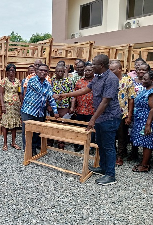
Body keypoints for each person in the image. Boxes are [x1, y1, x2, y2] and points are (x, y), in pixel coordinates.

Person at [57, 54, 121, 185]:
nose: (91, 66)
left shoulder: (111, 79)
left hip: (109, 118)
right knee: (101, 144)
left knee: (108, 146)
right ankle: (103, 168)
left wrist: (92, 119)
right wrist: (65, 95)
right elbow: (85, 89)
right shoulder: (98, 77)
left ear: (101, 66)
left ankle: (110, 175)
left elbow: (105, 102)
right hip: (101, 118)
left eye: (94, 64)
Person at [21, 64, 59, 156]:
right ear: (37, 71)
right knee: (27, 131)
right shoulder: (32, 80)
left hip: (40, 112)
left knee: (36, 132)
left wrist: (55, 111)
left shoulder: (47, 83)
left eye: (45, 71)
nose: (43, 72)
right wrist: (53, 95)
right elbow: (41, 91)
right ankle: (27, 150)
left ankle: (33, 148)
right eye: (41, 70)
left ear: (48, 73)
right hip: (29, 110)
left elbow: (50, 99)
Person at [109, 60, 136, 166]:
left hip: (122, 114)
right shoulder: (109, 80)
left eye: (113, 69)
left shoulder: (127, 80)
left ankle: (120, 156)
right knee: (111, 135)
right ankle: (113, 154)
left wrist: (129, 115)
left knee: (121, 136)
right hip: (110, 113)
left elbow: (131, 99)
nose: (110, 71)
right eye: (109, 69)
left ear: (120, 69)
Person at [131, 71, 153, 172]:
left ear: (152, 80)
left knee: (147, 142)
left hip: (147, 120)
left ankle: (145, 165)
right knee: (144, 141)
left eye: (145, 79)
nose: (142, 81)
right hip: (140, 119)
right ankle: (144, 161)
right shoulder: (146, 89)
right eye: (142, 79)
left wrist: (148, 124)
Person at [129, 62, 151, 160]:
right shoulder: (132, 81)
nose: (141, 71)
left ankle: (145, 159)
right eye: (139, 69)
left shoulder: (152, 83)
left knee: (146, 135)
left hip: (147, 112)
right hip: (134, 111)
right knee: (134, 132)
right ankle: (134, 153)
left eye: (144, 70)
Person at [72, 62, 95, 152]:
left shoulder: (96, 82)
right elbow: (74, 96)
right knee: (79, 128)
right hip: (80, 109)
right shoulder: (79, 82)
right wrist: (73, 107)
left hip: (92, 110)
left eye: (90, 70)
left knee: (91, 129)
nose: (87, 72)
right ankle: (79, 144)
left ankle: (90, 146)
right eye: (86, 70)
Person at [0, 64, 22, 151]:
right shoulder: (3, 81)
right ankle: (5, 143)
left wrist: (21, 104)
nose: (11, 72)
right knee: (5, 124)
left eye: (13, 70)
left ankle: (13, 142)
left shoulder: (18, 81)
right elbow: (1, 94)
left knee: (14, 124)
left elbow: (19, 93)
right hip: (7, 105)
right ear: (7, 71)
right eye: (10, 70)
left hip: (16, 105)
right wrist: (2, 105)